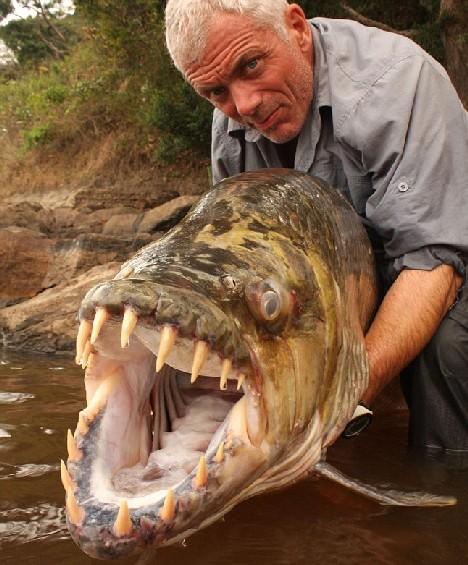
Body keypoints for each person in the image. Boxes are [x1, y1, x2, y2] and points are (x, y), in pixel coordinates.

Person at [165, 0, 468, 453]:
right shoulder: (228, 124)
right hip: (345, 276)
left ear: (296, 27)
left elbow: (433, 264)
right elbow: (240, 263)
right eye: (216, 92)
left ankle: (447, 490)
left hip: (445, 255)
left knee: (445, 350)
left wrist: (336, 400)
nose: (244, 105)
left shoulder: (398, 82)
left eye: (251, 65)